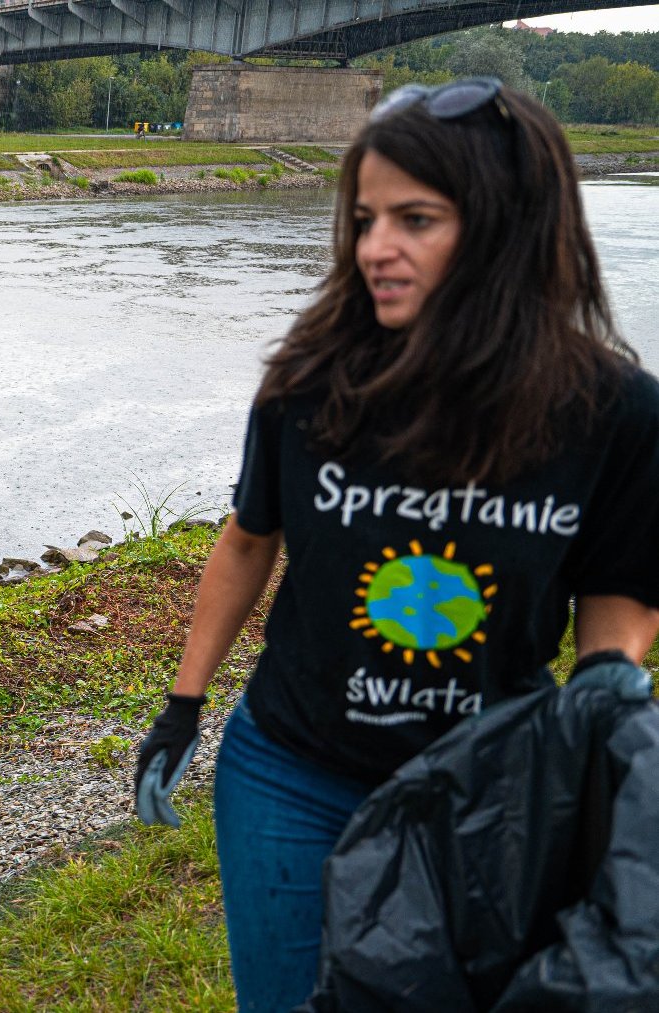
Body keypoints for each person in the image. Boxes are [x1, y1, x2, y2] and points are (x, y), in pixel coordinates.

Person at [132, 78, 659, 1012]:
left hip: (488, 789)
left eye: (416, 219)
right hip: (290, 774)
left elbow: (618, 585)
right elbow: (250, 542)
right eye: (367, 217)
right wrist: (184, 704)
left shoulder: (612, 413)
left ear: (507, 225)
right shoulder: (308, 383)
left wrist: (604, 697)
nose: (376, 247)